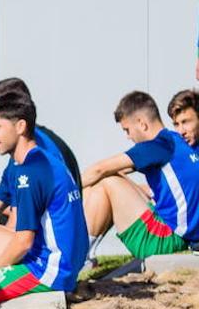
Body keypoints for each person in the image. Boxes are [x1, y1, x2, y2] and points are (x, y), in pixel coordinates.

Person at [0, 95, 88, 306]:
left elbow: (23, 242)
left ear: (20, 126)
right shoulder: (28, 162)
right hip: (52, 258)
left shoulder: (30, 173)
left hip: (48, 269)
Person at [82, 91, 199, 258]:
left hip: (168, 238)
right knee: (110, 179)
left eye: (127, 130)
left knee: (107, 180)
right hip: (179, 233)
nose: (128, 136)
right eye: (177, 123)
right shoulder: (178, 141)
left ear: (142, 124)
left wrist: (66, 191)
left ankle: (77, 256)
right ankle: (85, 252)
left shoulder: (158, 145)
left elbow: (99, 169)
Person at [0, 78, 80, 226]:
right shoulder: (18, 155)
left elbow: (21, 227)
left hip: (47, 232)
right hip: (35, 226)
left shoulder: (35, 157)